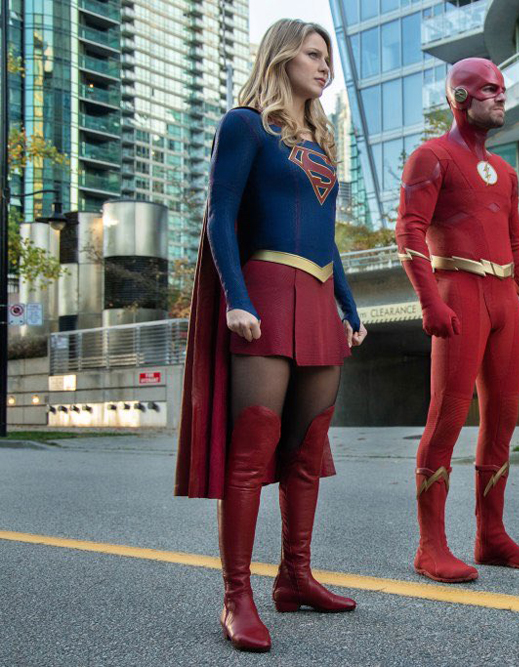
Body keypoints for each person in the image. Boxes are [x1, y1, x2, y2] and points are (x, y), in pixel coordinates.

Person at [174, 19, 366, 652]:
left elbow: (326, 238)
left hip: (318, 297)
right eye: (313, 54)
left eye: (328, 57)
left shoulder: (322, 142)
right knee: (253, 448)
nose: (324, 66)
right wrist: (236, 297)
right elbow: (219, 215)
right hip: (266, 292)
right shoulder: (245, 125)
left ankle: (295, 577)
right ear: (282, 57)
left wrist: (348, 306)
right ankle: (236, 596)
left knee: (307, 449)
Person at [396, 57, 519, 584]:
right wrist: (429, 301)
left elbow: (516, 242)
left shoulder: (505, 172)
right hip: (459, 292)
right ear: (459, 98)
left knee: (503, 421)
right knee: (446, 417)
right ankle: (430, 547)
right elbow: (409, 231)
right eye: (489, 89)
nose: (501, 96)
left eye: (502, 88)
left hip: (503, 298)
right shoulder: (431, 156)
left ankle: (491, 536)